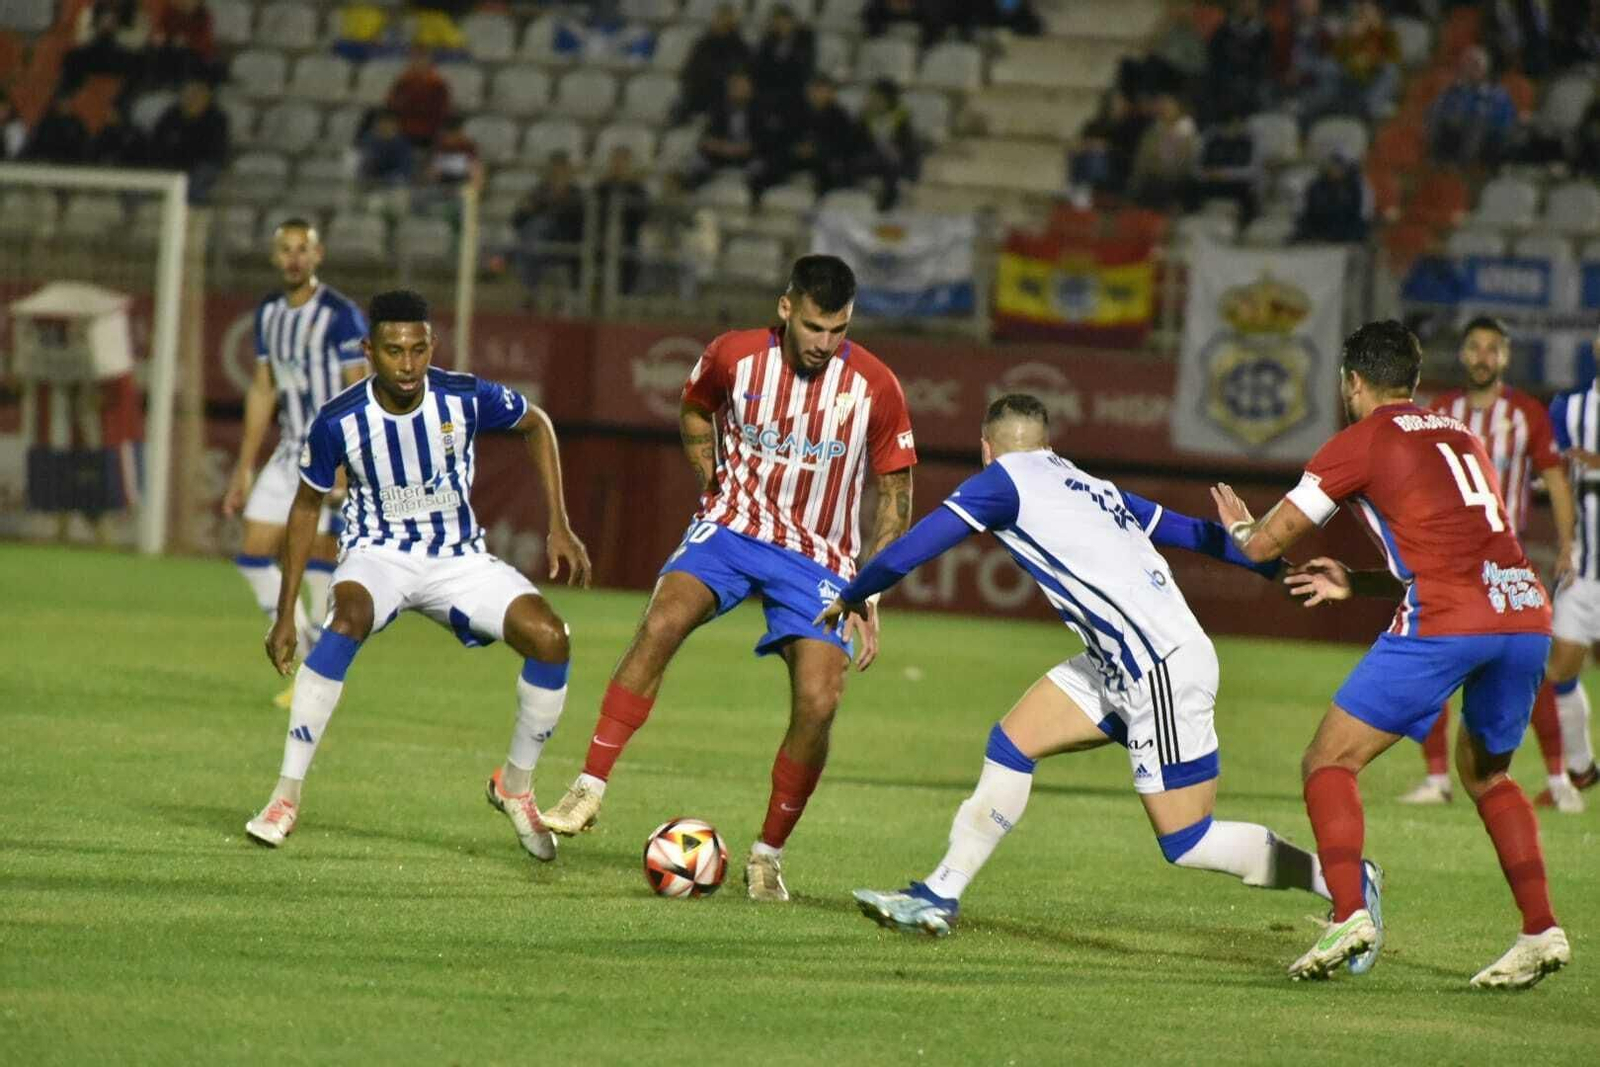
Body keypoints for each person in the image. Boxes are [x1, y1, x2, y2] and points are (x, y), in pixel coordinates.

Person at [829, 394, 1371, 953]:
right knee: (1013, 743)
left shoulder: (1000, 482)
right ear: (1048, 445)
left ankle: (1343, 882)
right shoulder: (1092, 485)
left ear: (986, 449)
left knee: (1187, 840)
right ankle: (940, 893)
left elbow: (915, 546)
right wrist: (1277, 569)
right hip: (1121, 663)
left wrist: (853, 594)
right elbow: (1192, 532)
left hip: (1157, 667)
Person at [540, 255, 916, 902]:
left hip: (818, 557)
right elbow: (695, 409)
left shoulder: (875, 386)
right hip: (732, 529)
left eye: (839, 330)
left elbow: (896, 497)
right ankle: (588, 786)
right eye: (815, 327)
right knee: (661, 621)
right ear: (786, 308)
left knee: (820, 699)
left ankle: (767, 855)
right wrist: (711, 482)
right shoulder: (733, 356)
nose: (825, 343)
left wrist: (870, 589)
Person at [1216, 319, 1568, 989]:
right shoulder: (1460, 434)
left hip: (1450, 616)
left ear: (1352, 382)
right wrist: (1359, 581)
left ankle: (1349, 912)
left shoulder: (1360, 441)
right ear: (1413, 377)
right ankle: (1539, 928)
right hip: (1524, 609)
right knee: (1488, 775)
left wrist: (1239, 525)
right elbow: (1462, 543)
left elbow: (1263, 544)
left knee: (1328, 760)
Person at [249, 289, 592, 862]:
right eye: (393, 351)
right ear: (369, 350)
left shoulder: (463, 396)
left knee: (551, 638)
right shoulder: (339, 419)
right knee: (348, 619)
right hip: (376, 555)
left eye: (418, 349)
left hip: (457, 558)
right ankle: (285, 797)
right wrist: (286, 614)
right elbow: (306, 507)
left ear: (432, 345)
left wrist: (559, 522)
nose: (407, 364)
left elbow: (537, 424)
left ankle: (515, 785)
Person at [1400, 316, 1582, 812]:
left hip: (1507, 565)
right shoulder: (1441, 411)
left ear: (1505, 356)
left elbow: (1555, 481)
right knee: (1430, 660)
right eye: (1474, 347)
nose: (1482, 357)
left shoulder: (1526, 414)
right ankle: (1437, 779)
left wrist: (1567, 545)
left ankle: (1559, 781)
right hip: (1450, 563)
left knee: (1529, 668)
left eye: (1492, 349)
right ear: (1461, 354)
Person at [222, 219, 369, 710]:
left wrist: (346, 462)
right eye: (285, 250)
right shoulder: (268, 312)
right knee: (253, 552)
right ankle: (307, 649)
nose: (293, 258)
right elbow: (264, 388)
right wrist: (244, 466)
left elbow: (358, 389)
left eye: (302, 249)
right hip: (289, 451)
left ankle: (317, 679)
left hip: (330, 453)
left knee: (321, 561)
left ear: (317, 255)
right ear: (274, 257)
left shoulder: (340, 315)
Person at [1537, 340, 1600, 805]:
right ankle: (1580, 770)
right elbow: (1553, 474)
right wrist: (1563, 543)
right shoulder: (1568, 408)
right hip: (1584, 567)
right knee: (1559, 671)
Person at [145, 77, 229, 203]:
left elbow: (214, 150)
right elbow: (158, 141)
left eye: (198, 95)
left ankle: (192, 204)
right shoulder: (171, 115)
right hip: (172, 162)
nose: (193, 98)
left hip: (201, 164)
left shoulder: (216, 118)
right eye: (190, 94)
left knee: (202, 173)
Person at [384, 47, 452, 149]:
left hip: (431, 128)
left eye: (421, 59)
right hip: (403, 127)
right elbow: (391, 102)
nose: (418, 62)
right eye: (414, 59)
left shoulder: (437, 83)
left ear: (429, 61)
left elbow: (443, 108)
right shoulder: (403, 80)